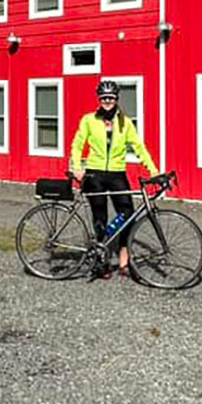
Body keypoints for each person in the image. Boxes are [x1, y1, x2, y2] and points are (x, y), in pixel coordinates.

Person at [70, 80, 158, 278]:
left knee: (127, 215)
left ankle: (124, 262)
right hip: (95, 173)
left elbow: (138, 147)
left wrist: (153, 170)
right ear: (99, 100)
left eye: (110, 98)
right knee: (99, 216)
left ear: (117, 99)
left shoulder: (124, 122)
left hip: (117, 173)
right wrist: (77, 166)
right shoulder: (89, 120)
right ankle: (101, 262)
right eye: (103, 98)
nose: (107, 101)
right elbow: (77, 143)